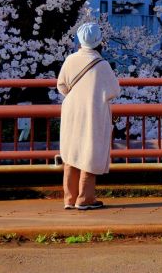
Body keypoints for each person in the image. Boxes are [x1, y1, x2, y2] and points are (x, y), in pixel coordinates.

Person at [56, 23, 120, 211]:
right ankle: (85, 198)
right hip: (93, 111)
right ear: (99, 41)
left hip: (71, 110)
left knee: (71, 150)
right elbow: (114, 90)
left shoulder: (70, 60)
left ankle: (69, 198)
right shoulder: (102, 65)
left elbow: (61, 85)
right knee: (89, 150)